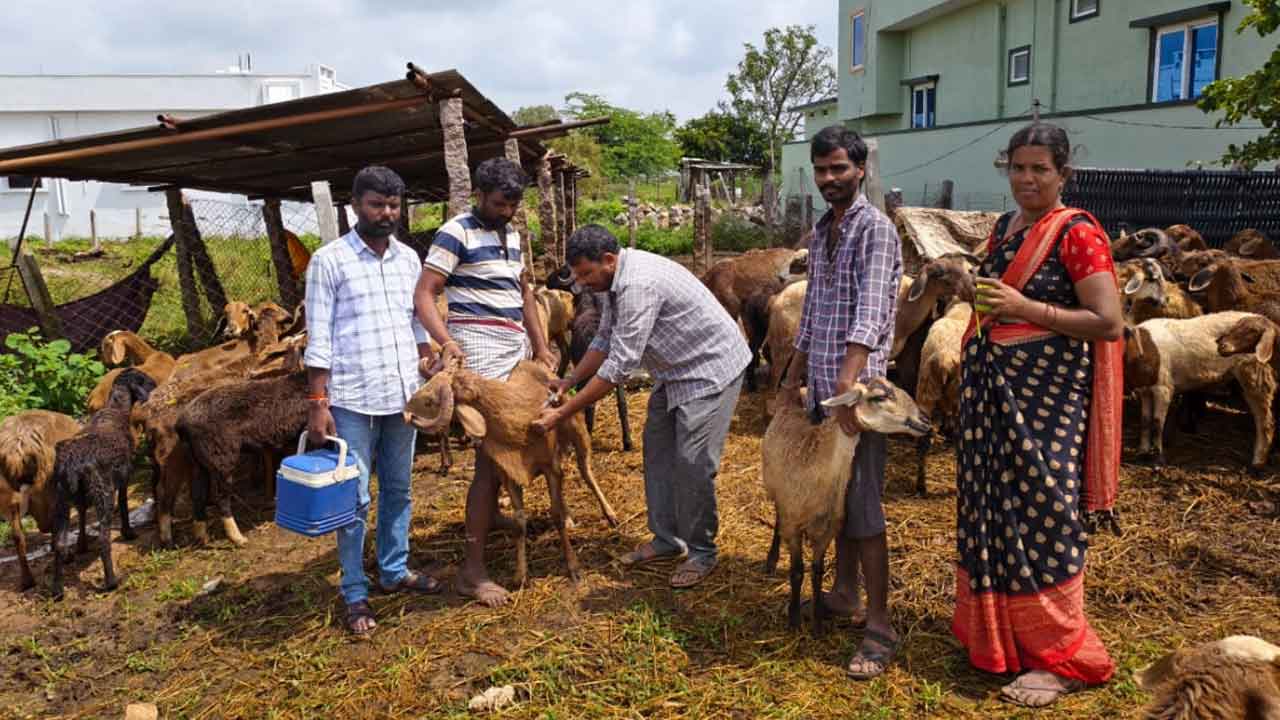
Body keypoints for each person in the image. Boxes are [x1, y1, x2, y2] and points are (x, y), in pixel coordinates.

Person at [953, 122, 1124, 707]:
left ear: (1062, 174)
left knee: (1046, 519)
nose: (1027, 179)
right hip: (993, 402)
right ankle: (1003, 643)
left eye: (1039, 170)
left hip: (1047, 405)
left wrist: (1027, 307)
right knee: (995, 515)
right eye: (1018, 168)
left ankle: (1062, 658)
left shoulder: (1077, 234)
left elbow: (1109, 322)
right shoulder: (1005, 228)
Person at [531, 224, 750, 589]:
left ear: (609, 260)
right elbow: (603, 338)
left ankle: (701, 552)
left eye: (586, 274)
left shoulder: (637, 285)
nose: (582, 284)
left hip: (710, 369)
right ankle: (667, 539)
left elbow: (618, 366)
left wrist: (562, 412)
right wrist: (569, 381)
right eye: (578, 276)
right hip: (675, 369)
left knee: (694, 462)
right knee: (658, 452)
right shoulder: (610, 282)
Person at [779, 125, 903, 680]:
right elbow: (815, 312)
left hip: (857, 399)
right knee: (834, 498)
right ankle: (845, 592)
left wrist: (847, 394)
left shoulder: (874, 230)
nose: (829, 179)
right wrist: (792, 377)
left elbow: (871, 315)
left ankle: (880, 626)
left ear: (860, 170)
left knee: (863, 508)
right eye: (821, 170)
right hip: (824, 392)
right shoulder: (823, 229)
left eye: (839, 169)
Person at [304, 166, 444, 638]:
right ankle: (354, 589)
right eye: (376, 205)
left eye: (393, 206)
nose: (386, 214)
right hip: (352, 398)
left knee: (400, 488)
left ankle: (393, 568)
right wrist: (318, 401)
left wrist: (426, 358)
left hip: (401, 395)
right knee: (356, 497)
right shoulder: (329, 261)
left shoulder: (408, 259)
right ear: (355, 205)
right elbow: (318, 337)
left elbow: (416, 323)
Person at [415, 157, 555, 608]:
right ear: (479, 195)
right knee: (490, 456)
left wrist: (541, 345)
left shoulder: (510, 234)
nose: (509, 211)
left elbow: (524, 294)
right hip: (477, 351)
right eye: (500, 203)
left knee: (504, 451)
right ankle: (471, 572)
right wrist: (444, 343)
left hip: (514, 353)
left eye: (515, 203)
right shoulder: (456, 232)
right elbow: (424, 294)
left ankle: (490, 516)